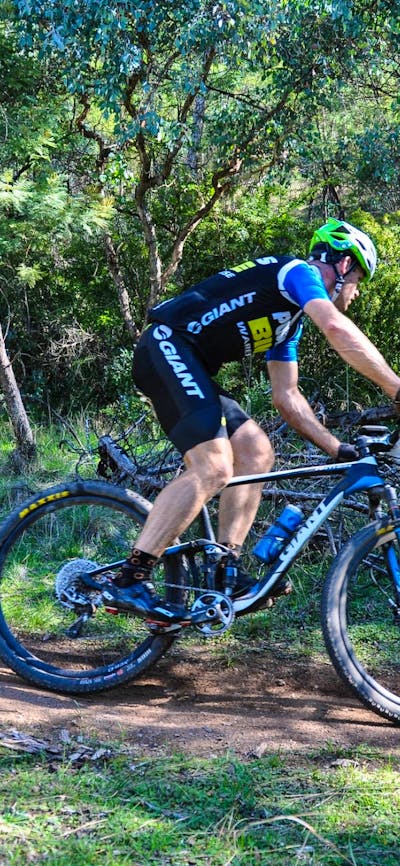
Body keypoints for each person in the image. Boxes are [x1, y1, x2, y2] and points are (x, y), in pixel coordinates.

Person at [103, 218, 400, 623]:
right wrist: (395, 388)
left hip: (191, 364)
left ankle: (224, 568)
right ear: (344, 265)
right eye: (358, 279)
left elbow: (288, 397)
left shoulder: (287, 324)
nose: (357, 291)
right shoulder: (297, 274)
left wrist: (337, 448)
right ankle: (130, 579)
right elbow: (334, 326)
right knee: (214, 465)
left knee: (257, 452)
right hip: (167, 344)